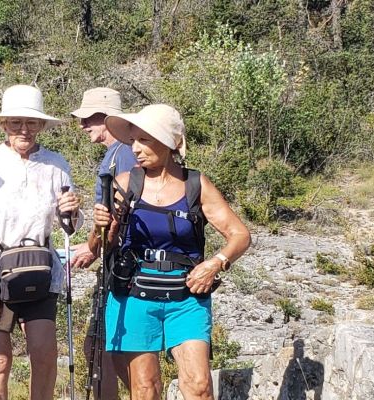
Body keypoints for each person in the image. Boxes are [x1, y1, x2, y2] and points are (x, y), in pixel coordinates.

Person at [90, 104, 252, 400]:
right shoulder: (126, 183)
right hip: (133, 293)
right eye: (133, 141)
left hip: (186, 296)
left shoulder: (195, 185)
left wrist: (215, 264)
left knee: (199, 386)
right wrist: (100, 227)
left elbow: (240, 234)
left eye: (145, 140)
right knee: (145, 388)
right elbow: (98, 247)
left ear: (168, 143)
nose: (136, 148)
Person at [0, 85, 79, 400]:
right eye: (16, 123)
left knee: (44, 353)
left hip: (39, 269)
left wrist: (72, 212)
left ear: (41, 126)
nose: (24, 130)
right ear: (3, 125)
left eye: (32, 123)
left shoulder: (56, 164)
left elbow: (70, 226)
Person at [63, 87, 136, 399]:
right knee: (100, 344)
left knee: (108, 344)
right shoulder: (118, 153)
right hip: (115, 258)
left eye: (89, 118)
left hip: (121, 262)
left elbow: (118, 210)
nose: (83, 125)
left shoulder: (126, 153)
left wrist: (92, 247)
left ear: (108, 117)